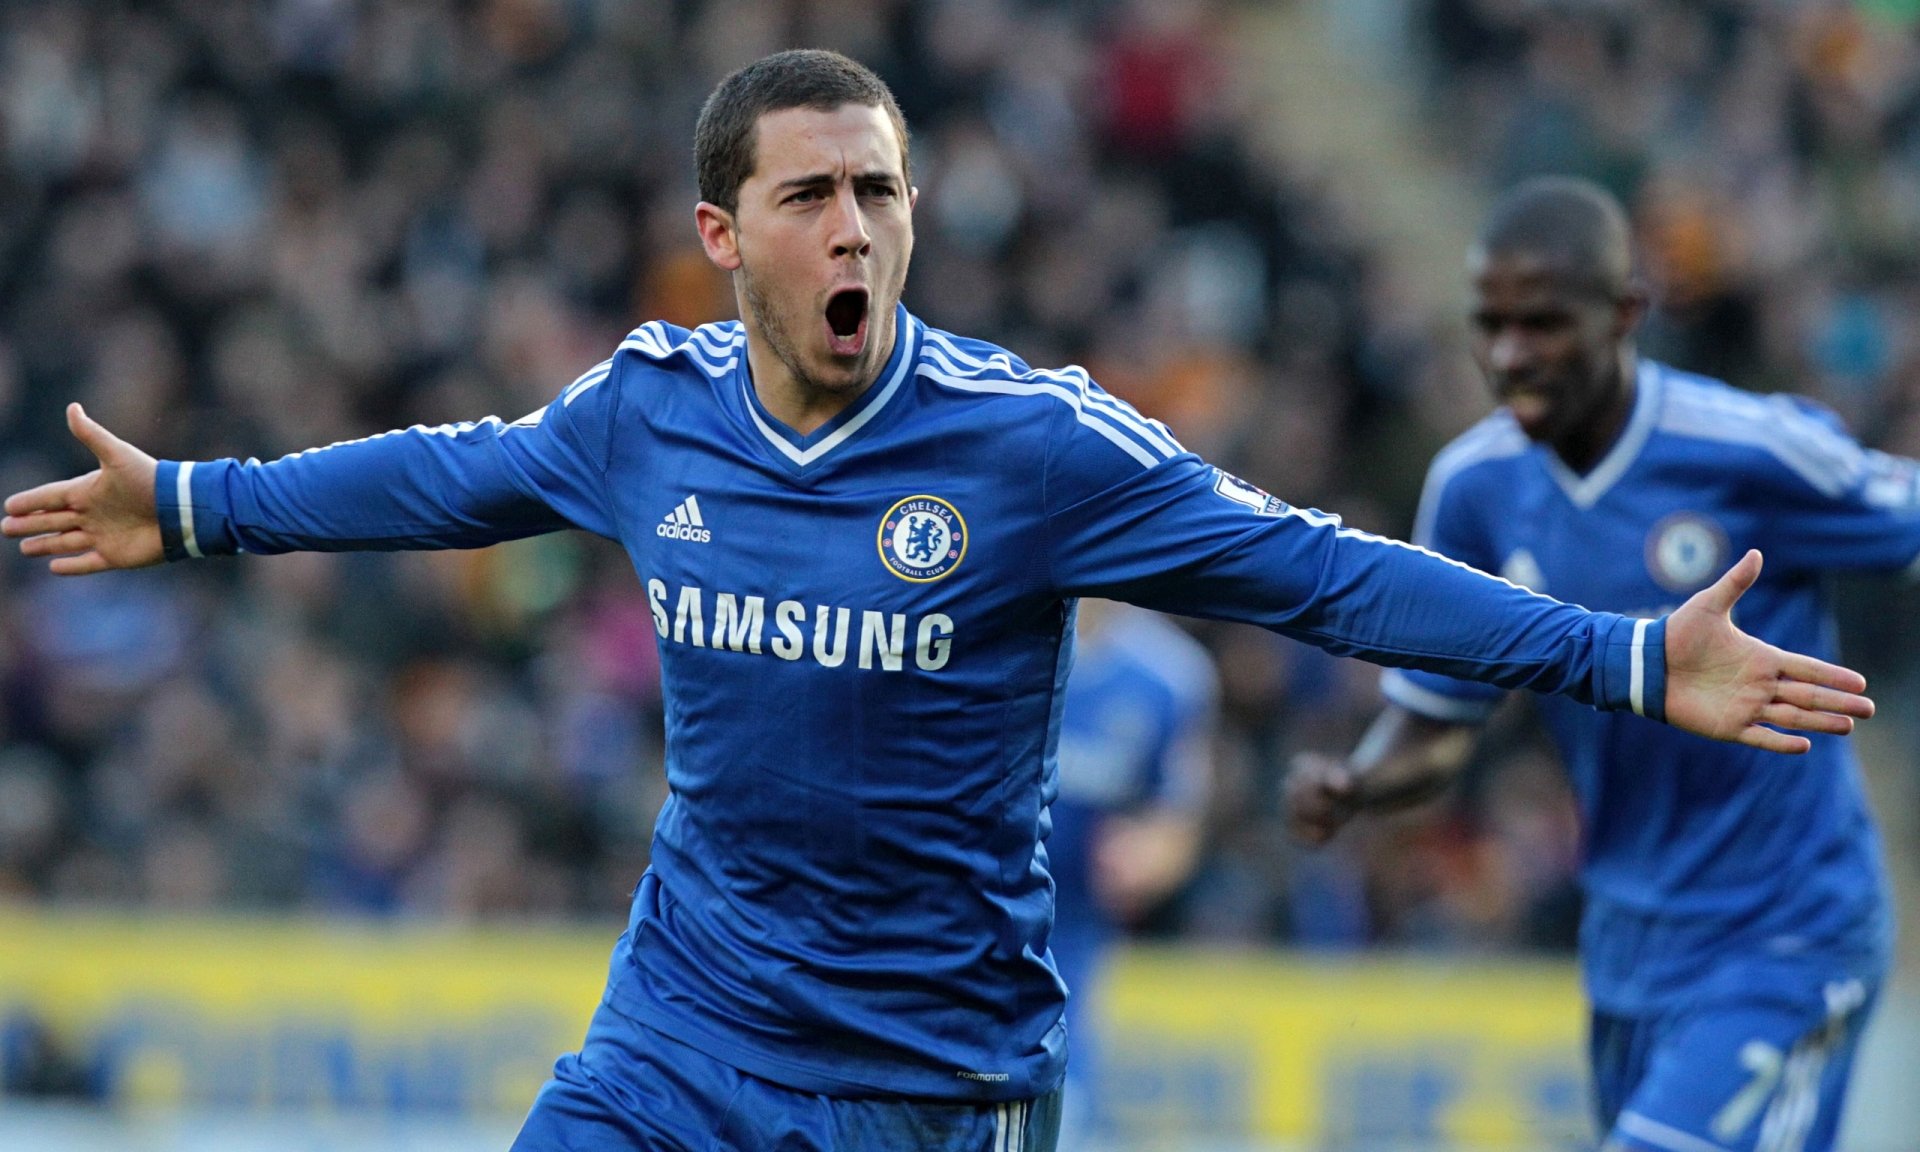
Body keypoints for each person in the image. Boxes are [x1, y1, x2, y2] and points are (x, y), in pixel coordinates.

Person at [3, 54, 1874, 1152]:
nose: (857, 229)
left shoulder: (1034, 451)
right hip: (678, 1038)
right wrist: (193, 503)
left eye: (881, 192)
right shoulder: (646, 412)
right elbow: (441, 476)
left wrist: (1625, 653)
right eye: (811, 195)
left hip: (930, 1080)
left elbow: (1319, 573)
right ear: (727, 238)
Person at [1286, 176, 1909, 1152]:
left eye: (1542, 325)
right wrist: (1358, 780)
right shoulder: (1474, 493)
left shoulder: (1753, 449)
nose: (1509, 356)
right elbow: (1442, 727)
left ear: (1624, 313)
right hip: (1628, 943)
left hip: (1785, 928)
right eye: (1490, 326)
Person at [1048, 600, 1217, 1148]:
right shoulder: (999, 637)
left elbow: (1178, 824)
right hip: (964, 908)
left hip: (1072, 933)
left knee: (1062, 1111)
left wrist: (1148, 855)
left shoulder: (1172, 676)